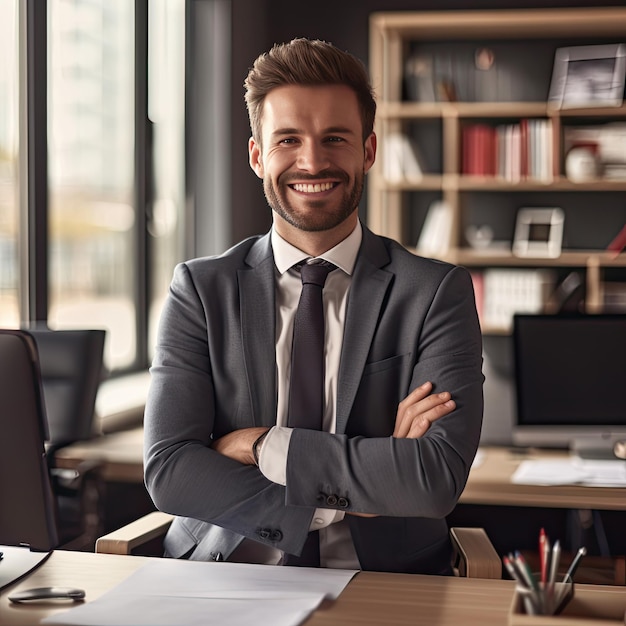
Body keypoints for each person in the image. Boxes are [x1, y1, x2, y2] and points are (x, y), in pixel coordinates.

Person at [144, 37, 484, 574]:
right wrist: (365, 487)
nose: (312, 161)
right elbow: (170, 470)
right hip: (222, 572)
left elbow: (434, 478)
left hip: (382, 582)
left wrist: (261, 446)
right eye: (287, 140)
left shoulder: (436, 293)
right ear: (258, 156)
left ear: (368, 151)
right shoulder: (199, 290)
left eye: (334, 138)